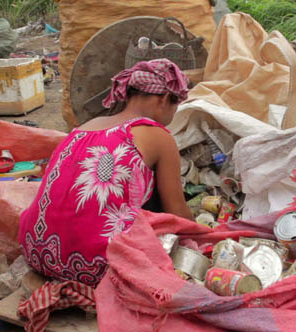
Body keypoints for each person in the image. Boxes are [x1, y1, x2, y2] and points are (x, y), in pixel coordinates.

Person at [18, 59, 193, 287]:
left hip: (37, 253)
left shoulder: (82, 129)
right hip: (98, 267)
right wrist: (205, 235)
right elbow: (177, 214)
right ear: (163, 99)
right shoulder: (157, 136)